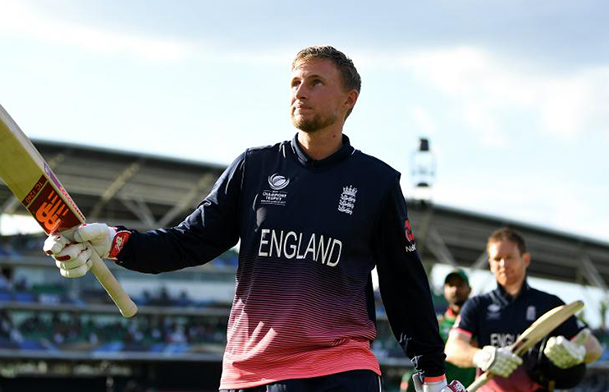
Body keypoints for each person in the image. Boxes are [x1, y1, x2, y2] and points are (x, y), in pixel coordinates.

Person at [44, 46, 464, 392]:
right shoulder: (254, 167)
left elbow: (403, 284)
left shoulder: (376, 182)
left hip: (340, 368)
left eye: (316, 82)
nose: (300, 92)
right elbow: (188, 242)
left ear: (348, 99)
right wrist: (116, 243)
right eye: (295, 83)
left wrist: (432, 374)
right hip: (250, 373)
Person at [445, 227, 604, 391]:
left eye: (509, 257)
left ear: (525, 259)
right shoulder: (477, 305)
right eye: (497, 258)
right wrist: (480, 356)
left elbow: (595, 348)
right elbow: (452, 348)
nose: (503, 264)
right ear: (490, 264)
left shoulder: (549, 304)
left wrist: (578, 351)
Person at [401, 269, 476, 392]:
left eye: (460, 285)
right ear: (444, 290)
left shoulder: (478, 324)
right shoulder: (436, 325)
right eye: (451, 285)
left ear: (469, 289)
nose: (455, 289)